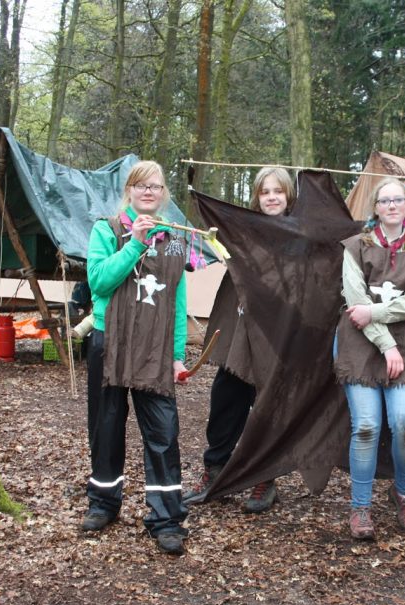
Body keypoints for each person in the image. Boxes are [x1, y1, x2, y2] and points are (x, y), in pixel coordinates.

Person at [80, 160, 190, 556]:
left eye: (156, 187)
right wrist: (136, 243)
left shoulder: (176, 238)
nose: (148, 192)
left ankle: (166, 518)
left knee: (163, 432)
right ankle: (103, 502)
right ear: (129, 190)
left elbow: (178, 300)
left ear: (163, 194)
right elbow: (99, 281)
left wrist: (177, 356)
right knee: (106, 426)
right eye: (141, 185)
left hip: (155, 348)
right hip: (111, 341)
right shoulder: (106, 230)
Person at [183, 167, 296, 513]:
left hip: (275, 337)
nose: (272, 197)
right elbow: (197, 257)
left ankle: (265, 478)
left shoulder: (299, 237)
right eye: (265, 192)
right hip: (240, 332)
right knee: (226, 400)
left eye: (278, 191)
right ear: (257, 197)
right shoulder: (241, 230)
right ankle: (215, 471)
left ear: (289, 196)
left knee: (268, 409)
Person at [334, 178, 405, 540]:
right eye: (385, 200)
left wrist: (378, 319)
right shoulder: (354, 248)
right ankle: (360, 507)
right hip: (360, 345)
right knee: (366, 427)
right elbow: (354, 301)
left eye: (398, 200)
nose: (392, 205)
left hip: (402, 348)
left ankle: (403, 493)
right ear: (376, 208)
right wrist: (385, 344)